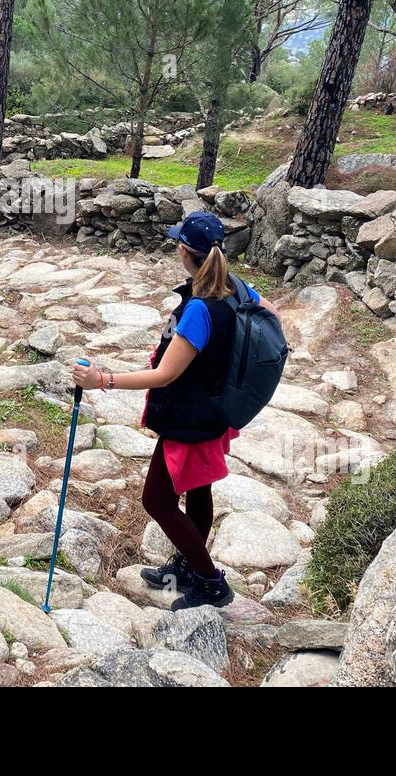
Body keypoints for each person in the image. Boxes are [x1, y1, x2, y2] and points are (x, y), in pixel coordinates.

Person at [71, 211, 278, 610]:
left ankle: (210, 582)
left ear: (184, 251)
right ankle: (187, 565)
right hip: (216, 411)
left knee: (158, 501)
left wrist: (103, 380)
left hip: (191, 418)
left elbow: (165, 374)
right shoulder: (235, 287)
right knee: (199, 488)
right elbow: (269, 315)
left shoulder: (200, 308)